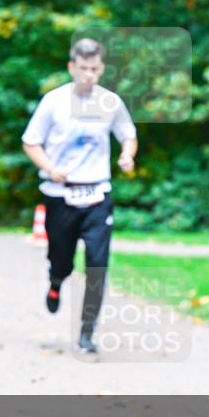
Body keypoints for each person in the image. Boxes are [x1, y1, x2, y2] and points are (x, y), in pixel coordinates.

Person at [21, 38, 138, 355]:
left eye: (95, 69)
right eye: (84, 68)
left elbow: (128, 134)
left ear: (101, 69)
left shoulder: (110, 102)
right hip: (60, 195)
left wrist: (127, 155)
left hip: (98, 194)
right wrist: (49, 167)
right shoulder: (53, 102)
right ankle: (56, 281)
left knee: (98, 267)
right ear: (72, 67)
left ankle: (87, 332)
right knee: (62, 260)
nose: (89, 75)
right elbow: (31, 142)